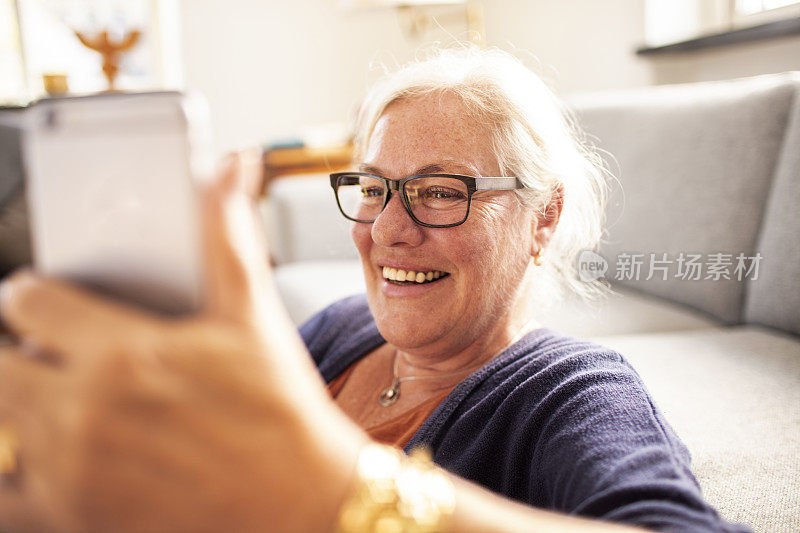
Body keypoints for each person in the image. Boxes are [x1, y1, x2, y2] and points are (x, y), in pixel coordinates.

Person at [0, 48, 748, 533]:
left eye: (440, 191)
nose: (388, 228)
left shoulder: (570, 390)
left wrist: (331, 490)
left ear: (541, 215)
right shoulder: (337, 329)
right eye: (374, 188)